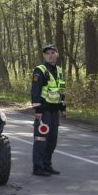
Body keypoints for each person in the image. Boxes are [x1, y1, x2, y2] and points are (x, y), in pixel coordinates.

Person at [31, 44, 66, 176]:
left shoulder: (60, 71)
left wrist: (63, 108)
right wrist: (38, 110)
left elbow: (61, 90)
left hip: (54, 111)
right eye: (47, 53)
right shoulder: (40, 70)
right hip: (44, 111)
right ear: (44, 56)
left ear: (57, 54)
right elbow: (35, 91)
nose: (50, 55)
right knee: (41, 139)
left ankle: (47, 165)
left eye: (52, 53)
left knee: (52, 140)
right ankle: (38, 167)